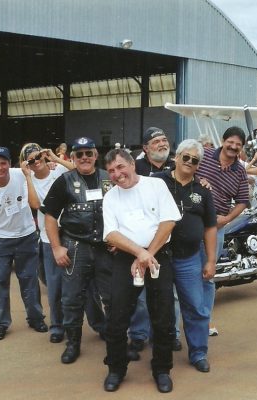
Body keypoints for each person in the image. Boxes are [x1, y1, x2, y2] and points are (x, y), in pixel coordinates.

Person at [101, 149, 181, 393]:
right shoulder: (110, 197)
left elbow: (169, 221)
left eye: (120, 167)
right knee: (116, 316)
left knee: (163, 316)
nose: (117, 174)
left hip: (158, 255)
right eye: (111, 171)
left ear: (132, 164)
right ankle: (116, 369)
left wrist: (148, 254)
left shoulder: (156, 186)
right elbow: (111, 233)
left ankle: (162, 369)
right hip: (127, 258)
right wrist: (139, 253)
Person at [42, 137, 113, 364]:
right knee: (72, 299)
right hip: (75, 247)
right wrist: (56, 248)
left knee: (112, 298)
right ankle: (73, 343)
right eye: (79, 154)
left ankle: (116, 342)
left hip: (106, 248)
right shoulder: (64, 181)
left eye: (88, 153)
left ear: (95, 155)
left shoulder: (109, 178)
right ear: (72, 157)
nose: (84, 158)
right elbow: (50, 216)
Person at [153, 139, 217, 373]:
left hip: (189, 258)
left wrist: (210, 260)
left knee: (196, 307)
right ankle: (160, 343)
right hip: (159, 257)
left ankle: (198, 352)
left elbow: (210, 227)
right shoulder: (156, 182)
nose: (189, 162)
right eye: (186, 157)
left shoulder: (203, 190)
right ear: (176, 157)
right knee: (159, 305)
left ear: (199, 165)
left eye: (195, 160)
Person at [0, 146, 47, 341]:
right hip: (0, 240)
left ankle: (36, 318)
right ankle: (0, 323)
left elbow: (40, 171)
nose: (0, 167)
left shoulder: (21, 174)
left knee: (29, 280)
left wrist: (51, 164)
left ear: (9, 163)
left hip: (26, 236)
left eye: (3, 163)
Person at [128, 127, 182, 358]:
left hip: (170, 241)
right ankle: (138, 335)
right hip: (140, 243)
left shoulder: (177, 165)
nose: (162, 143)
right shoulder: (136, 168)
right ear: (145, 148)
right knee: (139, 293)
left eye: (164, 139)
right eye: (156, 141)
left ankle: (171, 333)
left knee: (170, 293)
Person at [19, 143, 74, 345]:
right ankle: (57, 325)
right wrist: (28, 176)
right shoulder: (28, 181)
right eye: (31, 160)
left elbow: (79, 170)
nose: (37, 161)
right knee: (54, 287)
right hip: (48, 238)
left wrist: (56, 158)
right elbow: (35, 204)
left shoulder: (58, 170)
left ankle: (92, 323)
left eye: (38, 156)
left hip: (72, 233)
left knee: (81, 285)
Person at [196, 126, 250, 336]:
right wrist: (197, 181)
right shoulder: (204, 155)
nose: (233, 147)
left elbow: (243, 200)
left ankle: (205, 320)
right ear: (223, 140)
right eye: (230, 142)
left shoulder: (240, 171)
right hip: (190, 221)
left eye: (238, 144)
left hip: (215, 228)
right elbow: (183, 171)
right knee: (182, 271)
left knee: (208, 274)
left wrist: (227, 219)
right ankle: (174, 327)